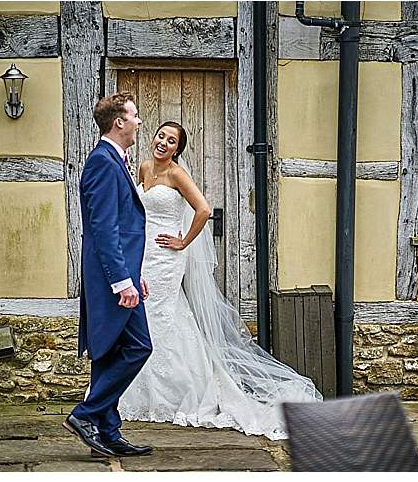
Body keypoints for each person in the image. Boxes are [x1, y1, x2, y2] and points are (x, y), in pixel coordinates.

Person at [118, 120, 322, 440]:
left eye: (171, 141)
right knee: (142, 317)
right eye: (161, 136)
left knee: (164, 317)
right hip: (143, 254)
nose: (163, 143)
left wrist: (183, 242)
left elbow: (203, 209)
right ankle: (134, 389)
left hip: (167, 257)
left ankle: (181, 391)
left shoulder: (176, 174)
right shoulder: (144, 167)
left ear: (177, 150)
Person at [66, 91, 154, 458]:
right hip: (110, 279)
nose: (139, 122)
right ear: (118, 122)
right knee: (138, 346)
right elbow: (104, 229)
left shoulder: (114, 159)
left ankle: (107, 433)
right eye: (134, 116)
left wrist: (134, 274)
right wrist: (122, 282)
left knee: (108, 350)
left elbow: (120, 225)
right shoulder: (103, 162)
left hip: (120, 274)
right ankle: (85, 415)